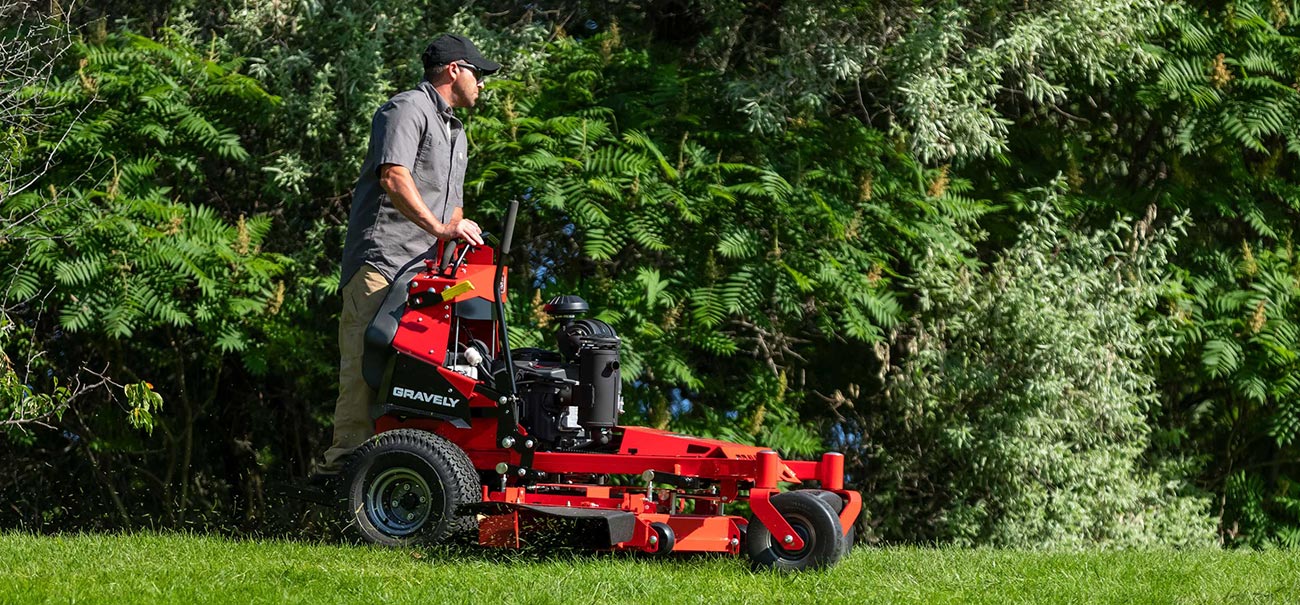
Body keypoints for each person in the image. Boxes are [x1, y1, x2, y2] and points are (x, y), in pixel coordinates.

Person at [316, 34, 500, 478]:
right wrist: (440, 228)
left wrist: (456, 235)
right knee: (365, 366)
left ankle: (399, 468)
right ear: (455, 70)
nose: (482, 84)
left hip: (426, 274)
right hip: (382, 263)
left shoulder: (456, 132)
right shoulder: (405, 109)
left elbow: (451, 206)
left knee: (425, 375)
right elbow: (394, 177)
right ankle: (343, 469)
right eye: (479, 74)